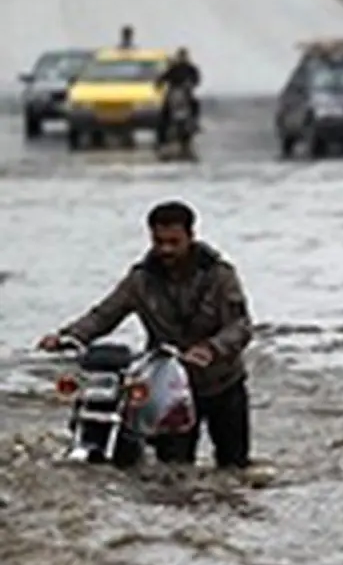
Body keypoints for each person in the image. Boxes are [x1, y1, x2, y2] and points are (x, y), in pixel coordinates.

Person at [37, 201, 254, 470]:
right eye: (159, 241)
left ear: (191, 236)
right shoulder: (140, 280)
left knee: (234, 467)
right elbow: (105, 314)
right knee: (172, 471)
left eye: (174, 242)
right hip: (169, 389)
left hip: (222, 383)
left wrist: (211, 349)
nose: (166, 250)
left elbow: (240, 326)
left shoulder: (220, 276)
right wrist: (67, 337)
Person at [156, 48, 202, 145]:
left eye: (184, 56)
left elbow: (197, 79)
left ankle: (195, 122)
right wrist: (159, 85)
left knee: (195, 104)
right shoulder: (174, 68)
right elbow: (162, 78)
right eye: (181, 56)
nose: (182, 58)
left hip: (186, 92)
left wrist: (191, 83)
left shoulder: (191, 68)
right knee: (164, 112)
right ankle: (161, 138)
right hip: (174, 92)